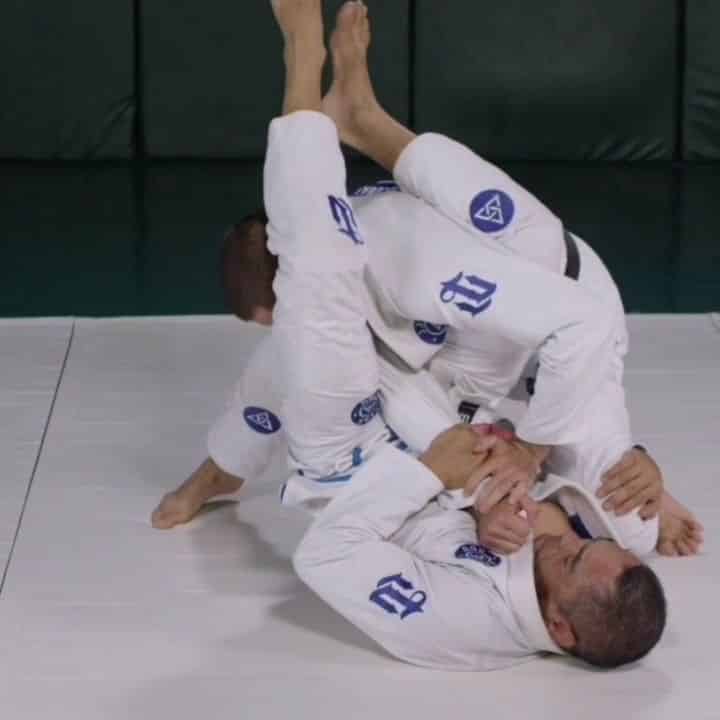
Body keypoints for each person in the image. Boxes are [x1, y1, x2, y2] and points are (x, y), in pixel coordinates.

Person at [152, 0, 702, 559]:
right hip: (468, 344)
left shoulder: (404, 270)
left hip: (564, 322)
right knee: (510, 231)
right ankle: (364, 119)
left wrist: (533, 449)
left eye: (281, 311)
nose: (288, 321)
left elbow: (582, 325)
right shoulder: (347, 247)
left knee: (632, 529)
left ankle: (359, 115)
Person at [255, 0, 666, 671]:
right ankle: (367, 123)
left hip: (354, 458)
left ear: (559, 627)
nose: (567, 538)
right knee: (542, 248)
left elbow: (325, 555)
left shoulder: (463, 625)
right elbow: (587, 424)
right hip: (450, 409)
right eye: (588, 542)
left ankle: (302, 60)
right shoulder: (614, 546)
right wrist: (635, 466)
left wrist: (429, 476)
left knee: (321, 270)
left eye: (569, 558)